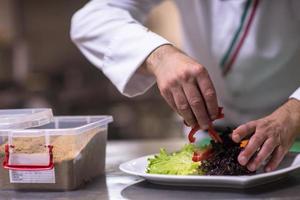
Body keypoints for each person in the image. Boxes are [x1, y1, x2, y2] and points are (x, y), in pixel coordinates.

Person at [70, 0, 300, 172]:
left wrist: (293, 114)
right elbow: (91, 19)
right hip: (209, 137)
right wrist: (160, 56)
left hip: (293, 136)